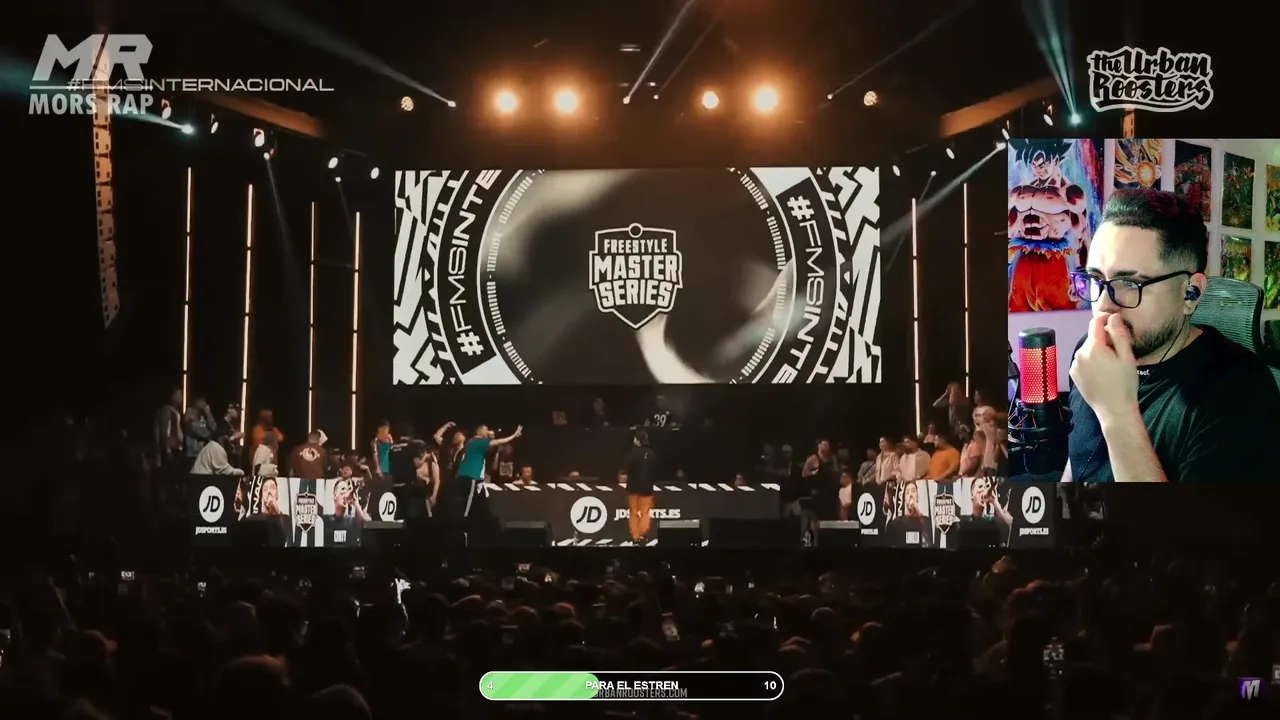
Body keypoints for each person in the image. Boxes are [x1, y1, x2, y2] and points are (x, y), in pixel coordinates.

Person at [1064, 188, 1280, 483]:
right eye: (1095, 279)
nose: (1103, 305)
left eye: (1129, 283)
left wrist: (1117, 413)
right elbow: (1078, 462)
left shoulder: (1241, 393)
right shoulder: (1091, 352)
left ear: (1191, 293)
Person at [455, 425, 522, 525]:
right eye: (485, 430)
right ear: (479, 431)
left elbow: (491, 448)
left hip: (472, 478)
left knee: (480, 504)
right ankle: (463, 525)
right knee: (468, 504)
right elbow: (497, 442)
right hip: (471, 476)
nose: (487, 431)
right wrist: (513, 436)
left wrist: (490, 438)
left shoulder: (473, 442)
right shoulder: (477, 441)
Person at [622, 429, 659, 543]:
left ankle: (636, 536)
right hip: (646, 488)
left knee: (633, 512)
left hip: (633, 487)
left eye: (635, 438)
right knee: (645, 512)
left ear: (638, 440)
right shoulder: (651, 453)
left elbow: (626, 468)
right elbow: (655, 469)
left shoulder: (631, 453)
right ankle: (643, 534)